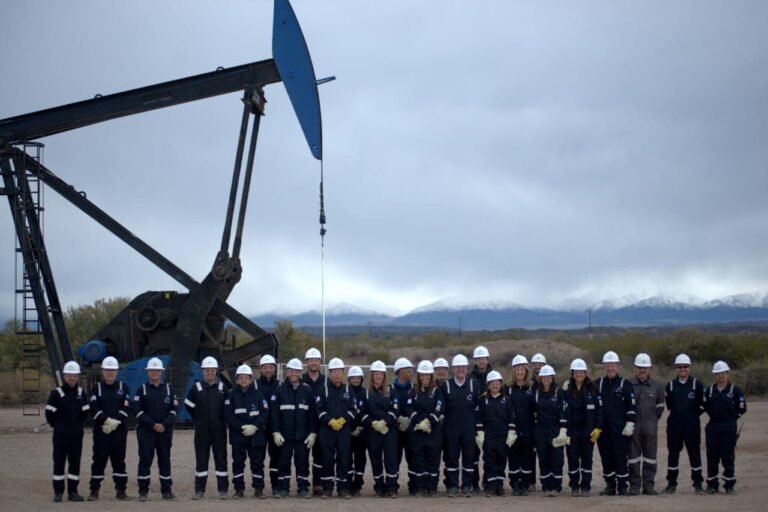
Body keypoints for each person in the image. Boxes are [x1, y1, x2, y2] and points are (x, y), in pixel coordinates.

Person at [271, 358, 318, 499]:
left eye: (296, 371)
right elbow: (274, 414)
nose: (293, 373)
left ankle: (303, 488)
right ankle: (283, 488)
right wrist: (276, 431)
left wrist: (313, 433)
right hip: (284, 436)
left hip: (302, 437)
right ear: (287, 372)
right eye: (291, 370)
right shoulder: (279, 391)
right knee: (283, 463)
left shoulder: (307, 391)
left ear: (301, 372)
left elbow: (312, 414)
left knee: (302, 464)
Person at [134, 357, 178, 501]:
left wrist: (164, 425)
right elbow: (138, 411)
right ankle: (143, 492)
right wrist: (153, 424)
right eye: (152, 370)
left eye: (157, 370)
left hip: (164, 432)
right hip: (146, 432)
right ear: (148, 372)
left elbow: (173, 410)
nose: (154, 373)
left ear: (161, 372)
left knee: (165, 460)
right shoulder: (142, 389)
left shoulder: (169, 389)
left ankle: (166, 491)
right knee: (145, 460)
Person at [87, 356, 130, 501]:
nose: (110, 373)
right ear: (102, 372)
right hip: (101, 432)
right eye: (107, 370)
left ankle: (121, 490)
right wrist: (106, 420)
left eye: (112, 370)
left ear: (117, 372)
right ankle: (94, 490)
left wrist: (115, 421)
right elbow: (94, 407)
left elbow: (126, 406)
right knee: (99, 460)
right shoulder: (96, 388)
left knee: (119, 460)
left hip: (119, 431)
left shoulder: (124, 387)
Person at [185, 356, 229, 499]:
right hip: (202, 430)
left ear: (216, 371)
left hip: (219, 430)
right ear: (203, 371)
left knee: (221, 459)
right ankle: (199, 490)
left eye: (212, 370)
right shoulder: (196, 388)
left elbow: (227, 408)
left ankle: (223, 490)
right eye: (207, 370)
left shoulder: (223, 388)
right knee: (201, 460)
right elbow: (188, 405)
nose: (209, 372)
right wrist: (198, 419)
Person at [224, 364, 270, 499]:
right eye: (241, 378)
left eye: (246, 378)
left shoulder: (258, 395)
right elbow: (228, 415)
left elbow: (265, 413)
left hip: (256, 436)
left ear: (251, 380)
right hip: (238, 436)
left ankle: (258, 488)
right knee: (238, 463)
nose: (244, 380)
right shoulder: (231, 396)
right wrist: (241, 427)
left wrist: (255, 426)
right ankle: (239, 489)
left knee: (257, 463)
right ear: (237, 380)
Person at [46, 360, 89, 502]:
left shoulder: (82, 393)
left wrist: (76, 426)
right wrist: (59, 427)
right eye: (69, 375)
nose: (72, 378)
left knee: (75, 463)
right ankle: (58, 492)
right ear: (64, 376)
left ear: (78, 376)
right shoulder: (56, 393)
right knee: (58, 462)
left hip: (76, 436)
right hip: (60, 435)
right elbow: (49, 414)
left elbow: (85, 414)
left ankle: (73, 492)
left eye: (74, 375)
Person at [663, 353, 705, 494]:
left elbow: (703, 404)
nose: (683, 369)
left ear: (689, 368)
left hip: (691, 425)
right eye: (680, 367)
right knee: (673, 454)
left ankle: (698, 484)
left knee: (694, 454)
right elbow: (669, 405)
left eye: (685, 367)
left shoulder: (697, 385)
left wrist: (692, 415)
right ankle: (671, 484)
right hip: (675, 425)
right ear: (676, 368)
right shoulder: (670, 386)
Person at [703, 360, 747, 495]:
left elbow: (742, 408)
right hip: (713, 427)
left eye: (723, 373)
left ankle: (729, 485)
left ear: (727, 374)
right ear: (714, 375)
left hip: (729, 427)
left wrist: (732, 418)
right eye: (717, 373)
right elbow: (705, 407)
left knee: (728, 456)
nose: (720, 376)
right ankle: (712, 485)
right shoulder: (709, 390)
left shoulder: (735, 390)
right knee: (712, 457)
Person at [595, 351, 636, 496]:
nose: (610, 368)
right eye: (607, 365)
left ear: (618, 366)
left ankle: (623, 486)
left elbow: (631, 406)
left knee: (620, 457)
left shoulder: (625, 384)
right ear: (604, 367)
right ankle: (610, 486)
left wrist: (630, 423)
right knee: (606, 457)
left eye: (613, 365)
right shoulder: (598, 384)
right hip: (602, 429)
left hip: (620, 429)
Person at [316, 357, 357, 498]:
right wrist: (330, 421)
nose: (337, 374)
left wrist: (343, 420)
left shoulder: (348, 390)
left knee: (343, 458)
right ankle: (327, 488)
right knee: (327, 459)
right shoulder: (323, 390)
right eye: (334, 372)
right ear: (330, 373)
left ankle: (343, 488)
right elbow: (319, 410)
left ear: (343, 373)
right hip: (327, 431)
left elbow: (354, 410)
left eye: (339, 371)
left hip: (344, 431)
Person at [441, 354, 479, 497]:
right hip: (451, 429)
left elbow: (477, 407)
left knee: (469, 457)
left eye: (463, 367)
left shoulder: (473, 384)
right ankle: (452, 486)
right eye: (458, 367)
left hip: (469, 428)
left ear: (467, 368)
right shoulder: (446, 385)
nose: (461, 370)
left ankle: (467, 486)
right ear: (453, 369)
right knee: (452, 457)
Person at [563, 358, 602, 497]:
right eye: (576, 372)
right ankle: (574, 486)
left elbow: (599, 410)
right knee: (572, 459)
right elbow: (563, 410)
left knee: (587, 459)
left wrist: (598, 427)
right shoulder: (567, 390)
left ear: (585, 373)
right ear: (572, 374)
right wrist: (563, 430)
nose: (579, 374)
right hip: (571, 432)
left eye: (581, 372)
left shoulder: (592, 388)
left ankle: (585, 486)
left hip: (588, 432)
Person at [405, 360, 445, 496]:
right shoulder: (413, 391)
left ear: (431, 376)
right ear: (419, 376)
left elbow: (439, 409)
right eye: (423, 375)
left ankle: (432, 488)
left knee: (433, 460)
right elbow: (408, 407)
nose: (425, 378)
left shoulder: (437, 391)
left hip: (433, 432)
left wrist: (428, 421)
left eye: (428, 375)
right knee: (419, 460)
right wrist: (417, 420)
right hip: (417, 432)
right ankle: (421, 488)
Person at [628, 353, 665, 496]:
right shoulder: (629, 385)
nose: (642, 370)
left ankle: (649, 486)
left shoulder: (656, 386)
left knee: (650, 457)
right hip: (634, 427)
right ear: (635, 368)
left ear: (650, 368)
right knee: (633, 458)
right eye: (639, 367)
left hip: (651, 426)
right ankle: (635, 487)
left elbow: (660, 407)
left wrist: (652, 421)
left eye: (645, 367)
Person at [363, 360, 400, 497]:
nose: (378, 377)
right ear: (371, 376)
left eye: (381, 374)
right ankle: (379, 487)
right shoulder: (366, 393)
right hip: (372, 432)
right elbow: (362, 413)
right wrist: (373, 423)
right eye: (375, 374)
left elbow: (395, 409)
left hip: (389, 431)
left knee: (391, 459)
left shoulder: (391, 391)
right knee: (375, 459)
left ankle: (392, 487)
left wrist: (385, 422)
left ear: (384, 376)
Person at [476, 371, 516, 496]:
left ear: (501, 384)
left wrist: (511, 432)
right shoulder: (483, 400)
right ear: (488, 385)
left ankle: (499, 484)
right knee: (489, 460)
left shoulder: (506, 400)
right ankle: (491, 485)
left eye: (497, 383)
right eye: (492, 383)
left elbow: (511, 418)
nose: (495, 386)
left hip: (503, 436)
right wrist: (480, 433)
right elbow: (479, 418)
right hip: (489, 436)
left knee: (501, 460)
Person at [533, 365, 568, 496]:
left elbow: (563, 412)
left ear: (552, 378)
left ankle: (556, 486)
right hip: (541, 429)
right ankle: (546, 486)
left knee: (557, 458)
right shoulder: (536, 393)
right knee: (543, 458)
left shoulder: (559, 392)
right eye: (544, 377)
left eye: (549, 377)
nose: (546, 379)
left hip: (556, 429)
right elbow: (532, 410)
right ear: (540, 378)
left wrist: (563, 430)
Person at [506, 355, 536, 496]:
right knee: (513, 457)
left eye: (522, 370)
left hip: (528, 428)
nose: (519, 372)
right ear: (513, 371)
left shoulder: (532, 388)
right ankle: (515, 484)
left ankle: (525, 484)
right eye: (517, 370)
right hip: (512, 429)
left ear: (526, 371)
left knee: (527, 457)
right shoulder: (508, 389)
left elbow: (536, 409)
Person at [302, 347, 327, 495]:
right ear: (306, 362)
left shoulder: (325, 381)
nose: (313, 363)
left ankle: (317, 484)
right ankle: (303, 484)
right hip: (303, 425)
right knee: (303, 457)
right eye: (311, 360)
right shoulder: (301, 380)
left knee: (319, 456)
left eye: (316, 360)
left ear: (320, 362)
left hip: (321, 424)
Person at [392, 357, 415, 495]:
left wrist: (409, 419)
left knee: (412, 457)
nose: (411, 373)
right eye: (408, 370)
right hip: (395, 429)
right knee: (394, 458)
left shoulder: (414, 388)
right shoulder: (390, 388)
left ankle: (413, 485)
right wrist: (397, 419)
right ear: (399, 372)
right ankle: (392, 485)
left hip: (411, 429)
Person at [258, 354, 281, 496]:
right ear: (261, 369)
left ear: (275, 368)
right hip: (259, 429)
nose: (268, 370)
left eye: (271, 367)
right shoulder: (254, 385)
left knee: (276, 459)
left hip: (275, 429)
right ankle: (258, 487)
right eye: (265, 367)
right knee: (258, 459)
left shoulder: (280, 385)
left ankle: (276, 486)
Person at [470, 345, 492, 491]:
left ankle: (487, 481)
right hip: (474, 420)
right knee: (474, 455)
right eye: (478, 358)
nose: (481, 361)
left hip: (490, 421)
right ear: (475, 360)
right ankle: (474, 483)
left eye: (483, 358)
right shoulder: (470, 377)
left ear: (487, 359)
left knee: (489, 454)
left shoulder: (494, 375)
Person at [347, 366, 367, 496]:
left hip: (361, 431)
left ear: (361, 379)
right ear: (349, 379)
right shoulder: (345, 391)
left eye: (357, 377)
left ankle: (358, 484)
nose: (355, 380)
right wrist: (349, 428)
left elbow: (367, 410)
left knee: (360, 458)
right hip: (347, 432)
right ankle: (348, 483)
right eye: (352, 378)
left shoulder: (365, 392)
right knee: (346, 458)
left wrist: (360, 427)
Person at [529, 352, 547, 490]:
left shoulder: (550, 383)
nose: (538, 367)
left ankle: (546, 480)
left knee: (543, 452)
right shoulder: (528, 384)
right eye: (535, 364)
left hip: (544, 424)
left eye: (540, 364)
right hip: (530, 423)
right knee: (530, 453)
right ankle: (531, 482)